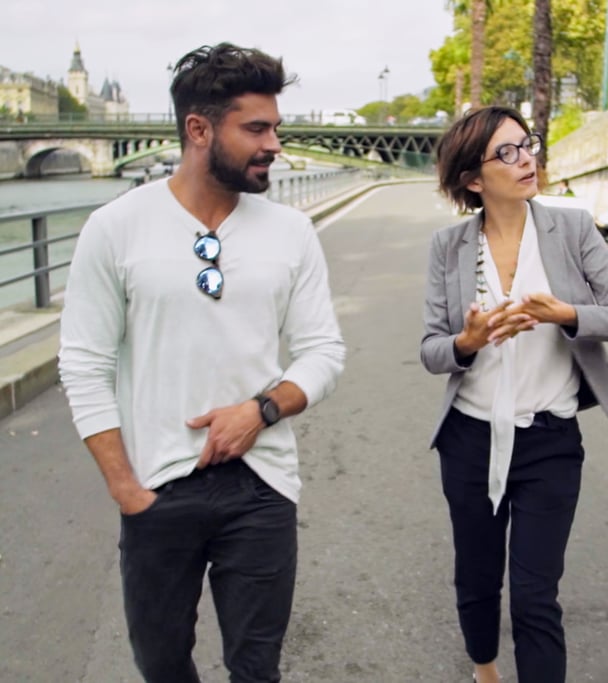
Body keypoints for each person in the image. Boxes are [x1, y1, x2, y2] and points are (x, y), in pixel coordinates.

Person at [58, 43, 346, 683]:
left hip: (261, 488)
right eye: (256, 128)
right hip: (156, 488)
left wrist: (261, 410)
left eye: (275, 127)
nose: (274, 143)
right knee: (161, 667)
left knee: (257, 669)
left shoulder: (291, 233)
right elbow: (83, 364)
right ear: (198, 129)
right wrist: (126, 490)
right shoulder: (114, 228)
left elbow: (325, 350)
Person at [422, 105, 608, 683]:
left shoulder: (571, 230)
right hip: (469, 440)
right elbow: (430, 349)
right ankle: (485, 669)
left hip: (550, 440)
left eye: (528, 145)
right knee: (476, 578)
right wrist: (466, 342)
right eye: (507, 152)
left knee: (534, 595)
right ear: (473, 179)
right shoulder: (449, 247)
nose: (527, 159)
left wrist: (568, 313)